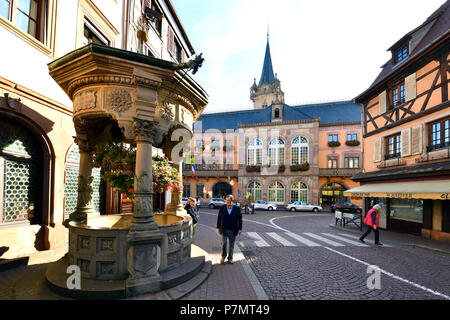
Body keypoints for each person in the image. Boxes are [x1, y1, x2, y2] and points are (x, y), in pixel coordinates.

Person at [216, 194, 242, 264]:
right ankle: (223, 257)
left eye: (229, 201)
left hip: (233, 230)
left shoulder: (237, 208)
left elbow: (240, 219)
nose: (228, 202)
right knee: (223, 243)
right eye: (226, 200)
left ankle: (230, 258)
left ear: (232, 201)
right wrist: (218, 227)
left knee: (231, 245)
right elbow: (219, 218)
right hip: (224, 229)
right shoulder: (222, 208)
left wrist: (240, 228)